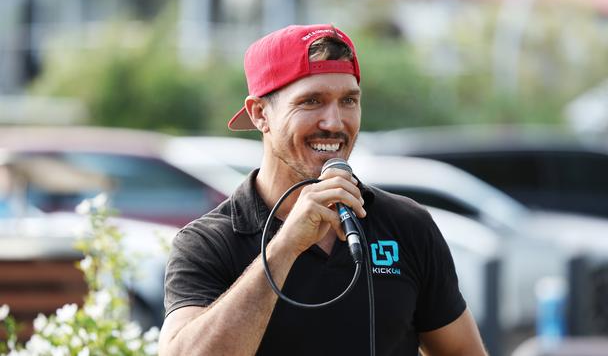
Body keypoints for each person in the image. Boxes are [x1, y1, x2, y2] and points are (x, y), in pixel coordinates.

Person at [159, 24, 486, 355]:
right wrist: (286, 246)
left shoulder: (408, 225)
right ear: (260, 114)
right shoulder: (207, 242)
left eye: (348, 100)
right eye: (312, 101)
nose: (334, 122)